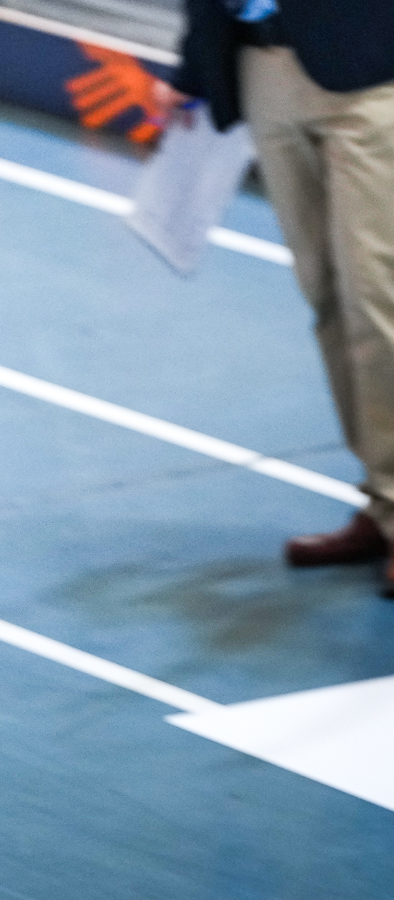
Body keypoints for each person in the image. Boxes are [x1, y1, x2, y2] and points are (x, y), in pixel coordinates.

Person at [158, 0, 394, 594]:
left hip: (371, 72)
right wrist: (191, 71)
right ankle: (382, 500)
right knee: (328, 298)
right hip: (260, 66)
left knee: (378, 301)